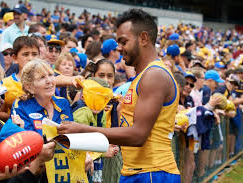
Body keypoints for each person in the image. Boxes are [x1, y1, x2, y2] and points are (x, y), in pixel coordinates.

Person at [57, 9, 181, 183]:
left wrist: (83, 130)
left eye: (123, 41)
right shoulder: (143, 76)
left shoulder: (154, 76)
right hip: (138, 171)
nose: (119, 48)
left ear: (144, 38)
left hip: (153, 172)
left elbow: (138, 135)